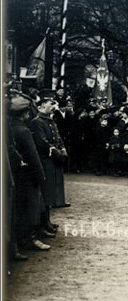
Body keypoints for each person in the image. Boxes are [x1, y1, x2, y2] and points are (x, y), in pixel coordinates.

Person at [8, 93, 52, 253]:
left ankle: (19, 242)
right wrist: (41, 176)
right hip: (27, 175)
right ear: (25, 113)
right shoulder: (24, 131)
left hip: (14, 174)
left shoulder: (9, 127)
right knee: (30, 209)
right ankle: (29, 239)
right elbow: (33, 156)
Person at [30, 89, 70, 217]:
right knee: (46, 191)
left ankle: (47, 221)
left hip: (54, 160)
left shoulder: (50, 121)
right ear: (41, 105)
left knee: (52, 191)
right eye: (50, 103)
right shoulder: (37, 122)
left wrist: (63, 150)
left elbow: (58, 137)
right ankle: (43, 221)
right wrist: (57, 154)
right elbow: (42, 142)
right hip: (46, 159)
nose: (53, 106)